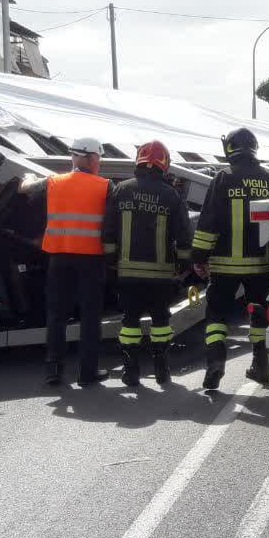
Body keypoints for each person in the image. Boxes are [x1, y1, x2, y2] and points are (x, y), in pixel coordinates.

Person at [191, 127, 269, 389]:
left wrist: (199, 257)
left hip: (223, 265)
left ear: (229, 148)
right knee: (259, 314)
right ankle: (260, 366)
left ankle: (215, 363)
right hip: (261, 265)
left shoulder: (222, 178)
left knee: (216, 314)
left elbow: (208, 222)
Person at [102, 140, 192, 387]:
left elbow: (107, 230)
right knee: (161, 321)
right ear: (164, 165)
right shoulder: (170, 194)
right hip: (160, 275)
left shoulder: (121, 189)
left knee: (129, 321)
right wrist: (185, 264)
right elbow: (184, 235)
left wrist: (110, 261)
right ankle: (162, 370)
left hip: (127, 273)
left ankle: (131, 372)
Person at [23, 136, 111, 387]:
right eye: (99, 158)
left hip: (60, 257)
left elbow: (26, 189)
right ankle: (87, 373)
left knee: (57, 315)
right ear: (92, 158)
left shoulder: (53, 182)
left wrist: (28, 177)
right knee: (90, 316)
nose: (99, 162)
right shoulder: (104, 186)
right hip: (91, 259)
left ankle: (53, 370)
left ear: (74, 157)